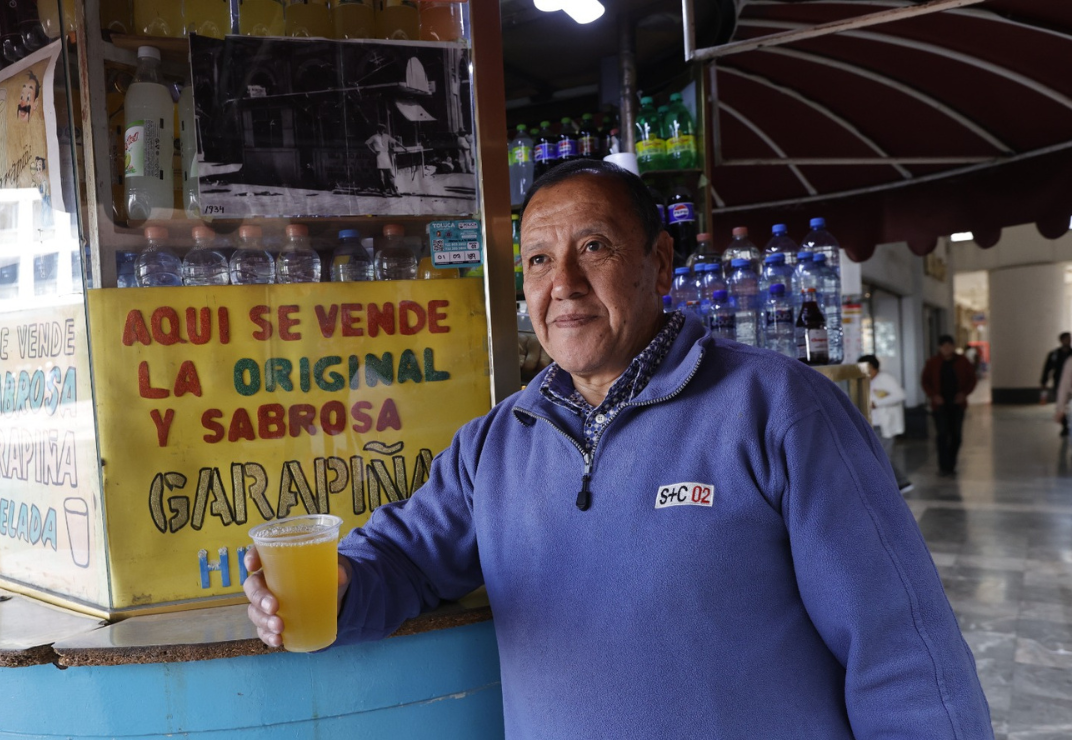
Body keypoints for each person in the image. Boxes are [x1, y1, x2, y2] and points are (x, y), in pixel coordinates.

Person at [244, 160, 992, 738]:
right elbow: (401, 560)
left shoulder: (779, 409)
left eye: (592, 247)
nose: (561, 283)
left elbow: (904, 650)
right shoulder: (497, 442)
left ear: (659, 264)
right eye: (537, 260)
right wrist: (338, 584)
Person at [921, 335, 978, 475]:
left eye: (949, 345)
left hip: (957, 405)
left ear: (953, 347)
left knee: (956, 435)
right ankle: (943, 466)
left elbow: (972, 379)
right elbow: (925, 381)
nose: (946, 349)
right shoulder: (933, 362)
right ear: (939, 348)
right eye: (943, 346)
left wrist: (964, 394)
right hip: (940, 405)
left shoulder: (962, 361)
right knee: (942, 434)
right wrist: (934, 395)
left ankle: (951, 464)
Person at [859, 354, 913, 493]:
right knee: (879, 456)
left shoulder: (885, 378)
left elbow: (900, 395)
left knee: (882, 457)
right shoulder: (866, 381)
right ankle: (901, 483)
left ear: (873, 367)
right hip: (872, 424)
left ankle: (900, 483)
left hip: (885, 425)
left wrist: (877, 403)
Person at [1041, 332, 1072, 436]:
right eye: (1066, 339)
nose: (1068, 340)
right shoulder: (1054, 354)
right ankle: (1065, 426)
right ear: (1061, 340)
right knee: (1062, 403)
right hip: (1059, 383)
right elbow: (1047, 368)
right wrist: (1044, 381)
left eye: (1069, 339)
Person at [365, 124, 402, 196]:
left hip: (386, 156)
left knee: (391, 175)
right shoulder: (374, 137)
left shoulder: (386, 136)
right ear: (378, 130)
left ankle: (395, 191)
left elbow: (394, 141)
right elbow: (367, 143)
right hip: (378, 156)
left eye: (383, 129)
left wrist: (403, 147)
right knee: (381, 176)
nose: (382, 131)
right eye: (380, 129)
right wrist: (373, 151)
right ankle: (383, 191)